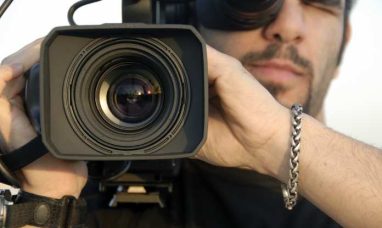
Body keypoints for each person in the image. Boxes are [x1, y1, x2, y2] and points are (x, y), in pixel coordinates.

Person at [0, 0, 381, 227]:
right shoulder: (82, 192)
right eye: (249, 1)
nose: (288, 27)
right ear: (184, 17)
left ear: (344, 39)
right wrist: (49, 202)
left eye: (320, 2)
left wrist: (273, 142)